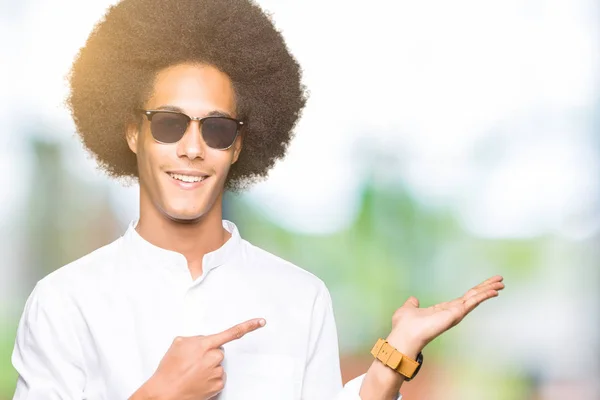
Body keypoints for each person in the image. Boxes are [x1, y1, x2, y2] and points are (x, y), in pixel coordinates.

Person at [11, 0, 505, 399]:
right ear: (132, 133)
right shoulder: (63, 302)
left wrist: (396, 355)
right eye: (168, 123)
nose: (191, 147)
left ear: (239, 146)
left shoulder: (301, 297)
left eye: (217, 128)